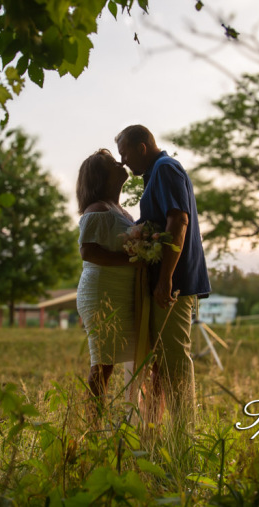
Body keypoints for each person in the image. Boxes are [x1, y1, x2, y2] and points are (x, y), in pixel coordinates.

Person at [115, 125, 210, 426]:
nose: (123, 161)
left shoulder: (166, 168)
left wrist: (166, 278)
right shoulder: (155, 173)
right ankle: (157, 430)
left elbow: (178, 220)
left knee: (175, 358)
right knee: (164, 359)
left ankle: (185, 434)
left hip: (175, 282)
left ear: (142, 147)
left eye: (124, 153)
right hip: (166, 280)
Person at [74, 148, 137, 418]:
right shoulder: (97, 210)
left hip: (122, 292)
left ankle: (133, 419)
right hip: (102, 293)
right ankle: (92, 426)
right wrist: (133, 261)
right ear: (101, 176)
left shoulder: (121, 211)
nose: (120, 163)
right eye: (113, 163)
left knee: (121, 359)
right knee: (103, 363)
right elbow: (88, 251)